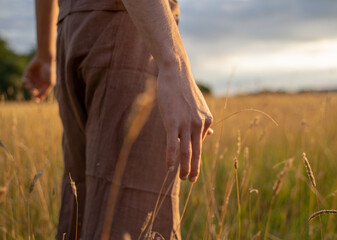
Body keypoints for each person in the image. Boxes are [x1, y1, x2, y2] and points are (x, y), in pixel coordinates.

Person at [22, 0, 213, 239]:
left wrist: (45, 52)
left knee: (83, 213)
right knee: (131, 218)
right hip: (132, 31)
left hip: (73, 30)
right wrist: (174, 63)